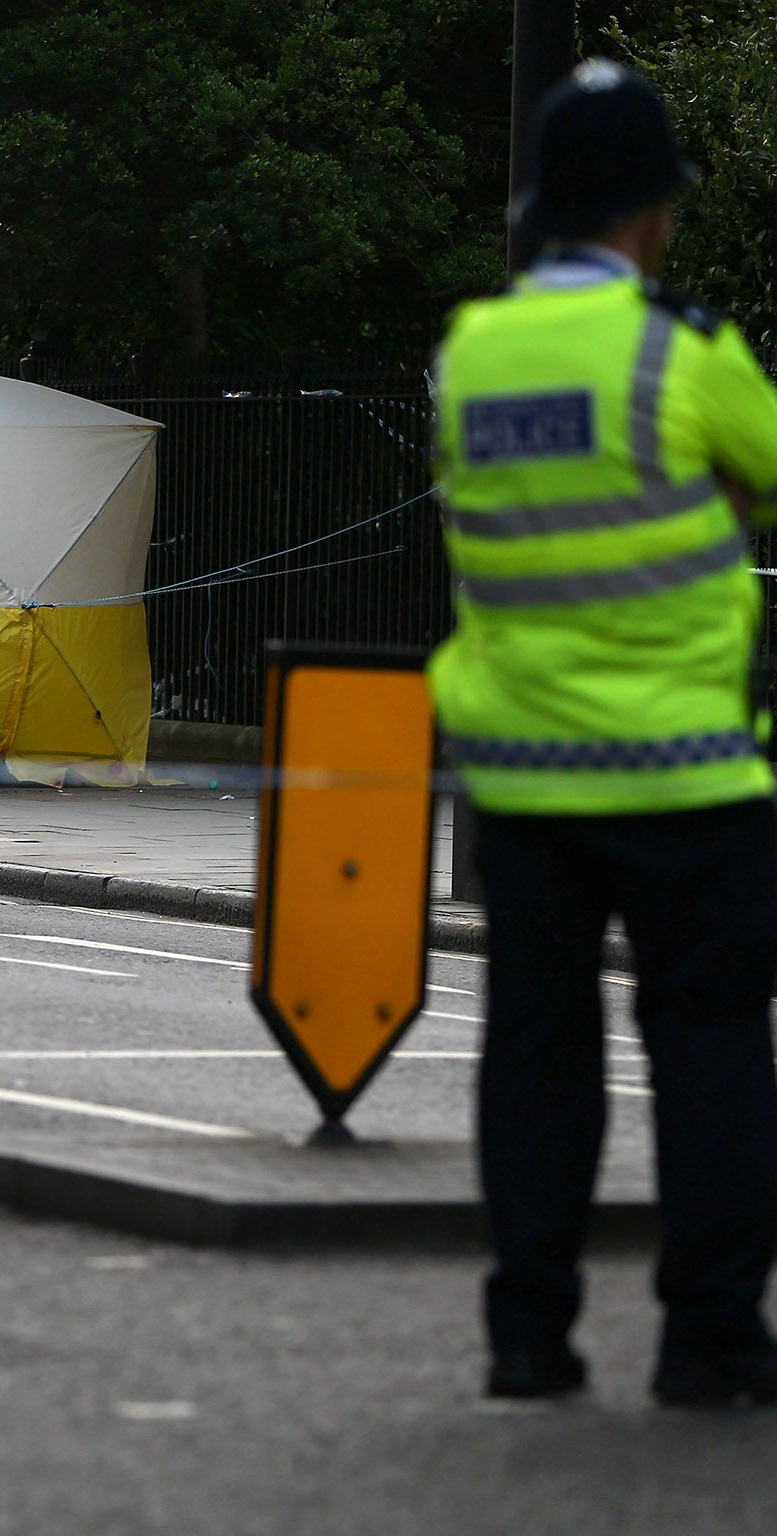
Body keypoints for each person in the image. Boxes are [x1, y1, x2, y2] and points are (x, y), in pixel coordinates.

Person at [430, 59, 777, 1406]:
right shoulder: (681, 352)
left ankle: (529, 1333)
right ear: (647, 214)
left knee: (534, 1049)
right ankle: (710, 1336)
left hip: (522, 775)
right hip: (684, 771)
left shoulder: (472, 355)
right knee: (707, 1046)